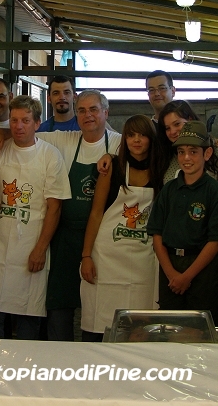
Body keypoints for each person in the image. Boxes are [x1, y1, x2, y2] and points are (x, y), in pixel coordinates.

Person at [0, 90, 122, 341]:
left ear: (106, 113)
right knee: (59, 304)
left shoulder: (121, 142)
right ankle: (60, 356)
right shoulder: (66, 140)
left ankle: (99, 359)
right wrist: (0, 131)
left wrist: (111, 156)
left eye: (93, 110)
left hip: (103, 236)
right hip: (66, 237)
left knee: (101, 302)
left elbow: (144, 151)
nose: (87, 115)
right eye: (81, 110)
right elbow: (25, 132)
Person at [0, 95, 71, 340]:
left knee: (28, 315)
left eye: (25, 120)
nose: (19, 126)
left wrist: (40, 248)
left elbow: (55, 208)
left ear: (37, 123)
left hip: (32, 244)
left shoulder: (50, 155)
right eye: (15, 120)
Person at [80, 115, 163, 342]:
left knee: (139, 328)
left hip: (144, 260)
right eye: (131, 135)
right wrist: (86, 255)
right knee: (101, 323)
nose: (136, 141)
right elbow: (96, 213)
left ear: (151, 139)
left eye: (142, 135)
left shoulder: (161, 169)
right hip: (106, 260)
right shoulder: (113, 168)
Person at [147, 121, 218, 325]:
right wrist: (171, 273)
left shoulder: (214, 191)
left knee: (201, 327)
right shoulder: (168, 190)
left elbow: (216, 240)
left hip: (202, 269)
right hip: (171, 266)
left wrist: (187, 276)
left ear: (208, 154)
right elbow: (156, 234)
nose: (186, 158)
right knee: (170, 327)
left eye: (193, 152)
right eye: (181, 151)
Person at [158, 100, 218, 184]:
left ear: (190, 120)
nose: (172, 132)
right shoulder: (164, 156)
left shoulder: (214, 150)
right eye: (167, 128)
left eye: (177, 124)